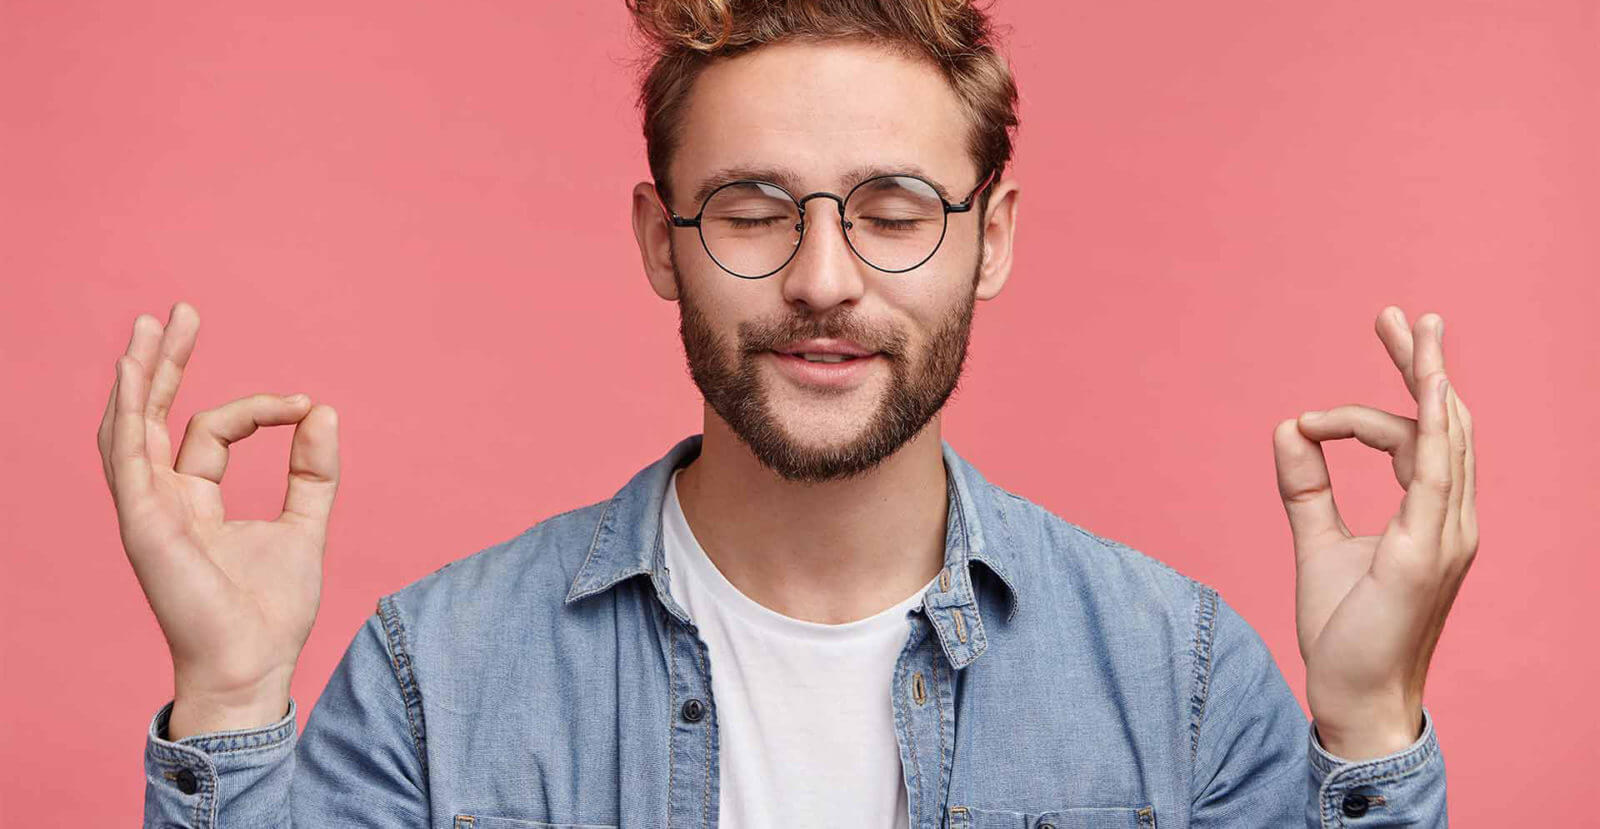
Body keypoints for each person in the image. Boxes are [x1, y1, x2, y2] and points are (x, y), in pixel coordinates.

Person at [100, 1, 1477, 826]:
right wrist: (228, 695)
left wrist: (1368, 718)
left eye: (894, 212)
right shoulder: (439, 674)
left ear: (991, 238)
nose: (825, 280)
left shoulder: (1174, 676)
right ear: (661, 239)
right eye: (755, 211)